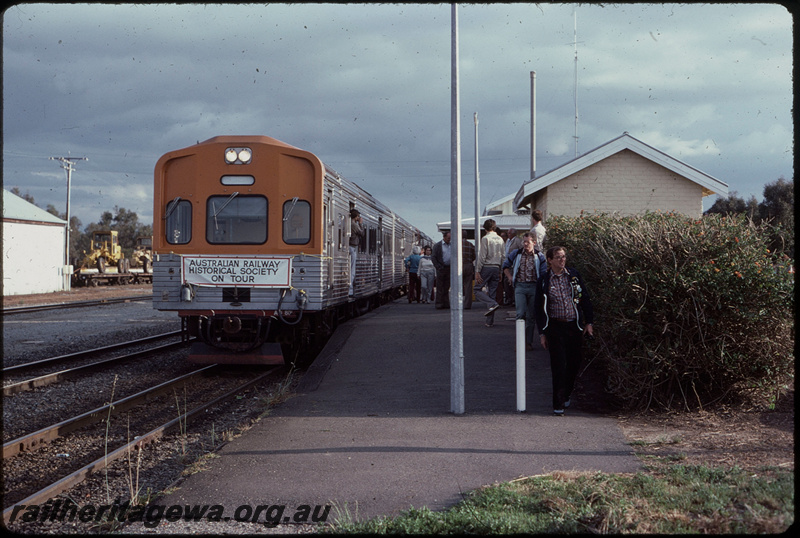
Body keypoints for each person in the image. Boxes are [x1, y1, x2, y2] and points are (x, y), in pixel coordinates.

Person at [535, 246, 594, 415]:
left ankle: (567, 392)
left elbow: (585, 299)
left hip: (574, 326)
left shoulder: (573, 276)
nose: (562, 260)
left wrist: (589, 322)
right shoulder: (544, 280)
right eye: (558, 257)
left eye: (564, 257)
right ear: (550, 260)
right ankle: (558, 403)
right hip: (555, 328)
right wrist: (542, 333)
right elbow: (538, 309)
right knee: (558, 365)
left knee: (574, 363)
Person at [503, 232, 545, 349]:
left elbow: (543, 273)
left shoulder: (539, 256)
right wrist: (510, 277)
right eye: (524, 241)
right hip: (520, 286)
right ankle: (520, 341)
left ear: (534, 243)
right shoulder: (516, 253)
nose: (525, 244)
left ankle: (528, 342)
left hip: (533, 286)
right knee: (520, 313)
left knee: (531, 315)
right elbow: (505, 266)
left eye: (528, 242)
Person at [474, 219, 505, 327]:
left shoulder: (485, 239)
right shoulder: (500, 239)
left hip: (487, 267)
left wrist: (477, 270)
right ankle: (489, 321)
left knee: (477, 289)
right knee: (492, 293)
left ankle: (492, 304)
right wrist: (501, 271)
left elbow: (482, 256)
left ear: (485, 228)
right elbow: (503, 256)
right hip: (496, 267)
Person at [431, 231, 452, 309]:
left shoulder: (452, 245)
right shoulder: (437, 246)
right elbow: (433, 257)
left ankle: (446, 303)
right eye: (448, 238)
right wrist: (438, 266)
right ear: (444, 237)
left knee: (446, 287)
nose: (449, 240)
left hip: (449, 268)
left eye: (450, 238)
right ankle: (439, 303)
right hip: (441, 268)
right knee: (440, 287)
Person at [503, 228, 523, 305]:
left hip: (514, 263)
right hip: (508, 262)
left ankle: (514, 300)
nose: (508, 235)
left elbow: (521, 250)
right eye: (508, 233)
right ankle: (509, 298)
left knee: (513, 281)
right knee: (506, 281)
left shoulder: (517, 240)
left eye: (509, 233)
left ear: (513, 234)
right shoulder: (508, 241)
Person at [349, 208, 365, 297]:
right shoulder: (354, 225)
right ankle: (350, 291)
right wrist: (361, 224)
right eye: (358, 216)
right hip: (352, 247)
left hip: (351, 247)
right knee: (352, 271)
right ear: (355, 217)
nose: (359, 218)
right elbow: (362, 233)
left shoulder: (350, 223)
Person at [461, 237, 476, 310]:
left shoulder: (457, 244)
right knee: (468, 286)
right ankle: (467, 304)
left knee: (458, 285)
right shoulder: (470, 245)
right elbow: (474, 256)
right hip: (469, 265)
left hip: (459, 265)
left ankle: (458, 303)